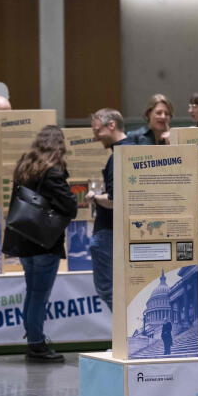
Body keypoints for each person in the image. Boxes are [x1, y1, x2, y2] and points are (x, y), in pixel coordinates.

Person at [1, 125, 78, 363]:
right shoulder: (52, 172)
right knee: (39, 296)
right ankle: (36, 344)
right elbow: (70, 207)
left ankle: (34, 339)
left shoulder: (25, 166)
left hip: (24, 241)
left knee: (32, 292)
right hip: (45, 243)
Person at [85, 108, 131, 312]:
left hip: (108, 231)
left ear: (111, 125)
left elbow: (115, 199)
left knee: (108, 290)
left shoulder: (119, 156)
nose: (95, 137)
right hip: (118, 231)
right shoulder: (133, 149)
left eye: (97, 131)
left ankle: (124, 340)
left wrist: (94, 197)